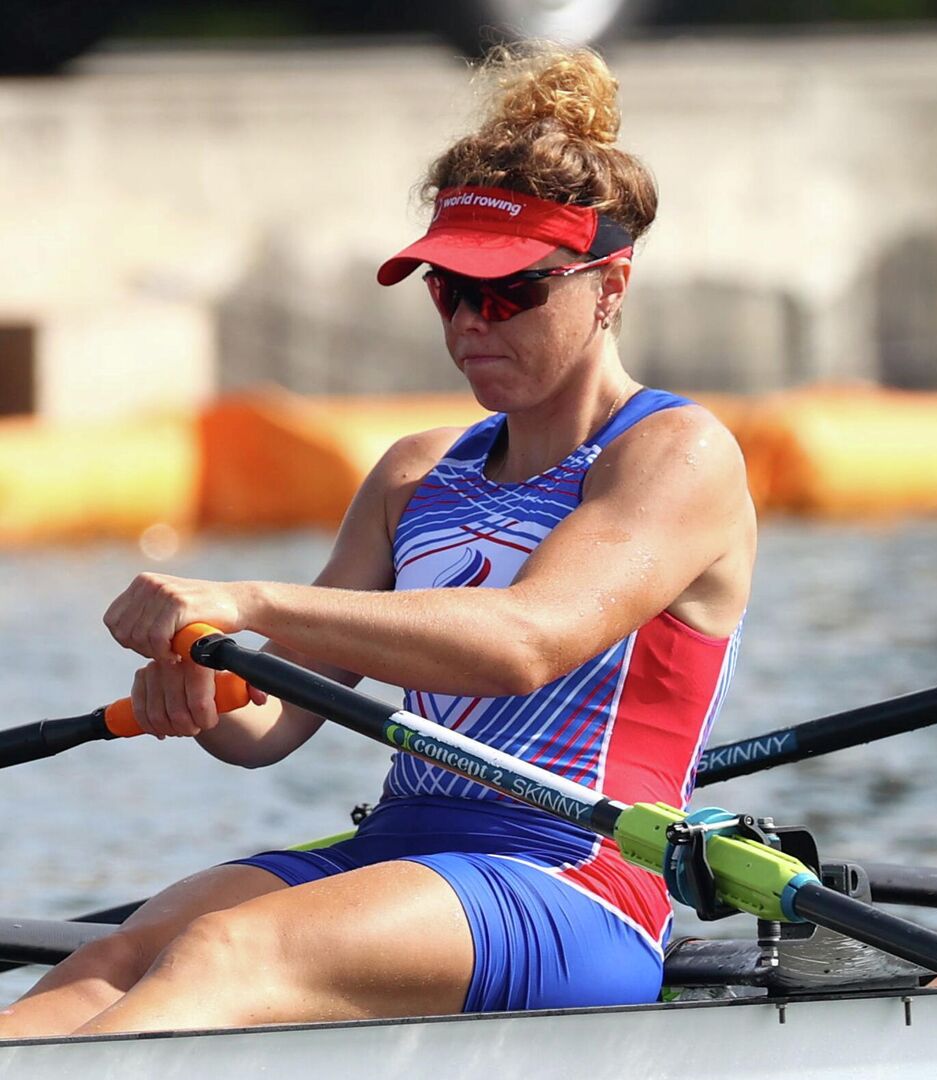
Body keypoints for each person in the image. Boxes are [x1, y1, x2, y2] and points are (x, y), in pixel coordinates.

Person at [0, 45, 754, 1035]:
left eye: (510, 293)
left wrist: (250, 602)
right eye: (450, 290)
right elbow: (271, 726)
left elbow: (525, 643)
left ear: (610, 284)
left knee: (226, 949)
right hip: (403, 849)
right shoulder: (414, 474)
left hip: (573, 879)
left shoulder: (674, 453)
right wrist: (200, 683)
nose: (472, 323)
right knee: (115, 956)